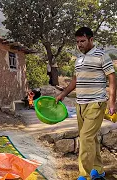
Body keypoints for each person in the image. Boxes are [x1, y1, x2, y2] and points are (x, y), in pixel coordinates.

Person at [56, 27, 116, 180]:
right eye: (77, 42)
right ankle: (98, 170)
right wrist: (63, 94)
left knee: (85, 138)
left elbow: (111, 78)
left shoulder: (102, 56)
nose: (80, 44)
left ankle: (85, 175)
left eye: (82, 41)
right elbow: (75, 81)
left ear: (91, 40)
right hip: (80, 104)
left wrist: (112, 102)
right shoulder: (78, 59)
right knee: (92, 138)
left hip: (96, 103)